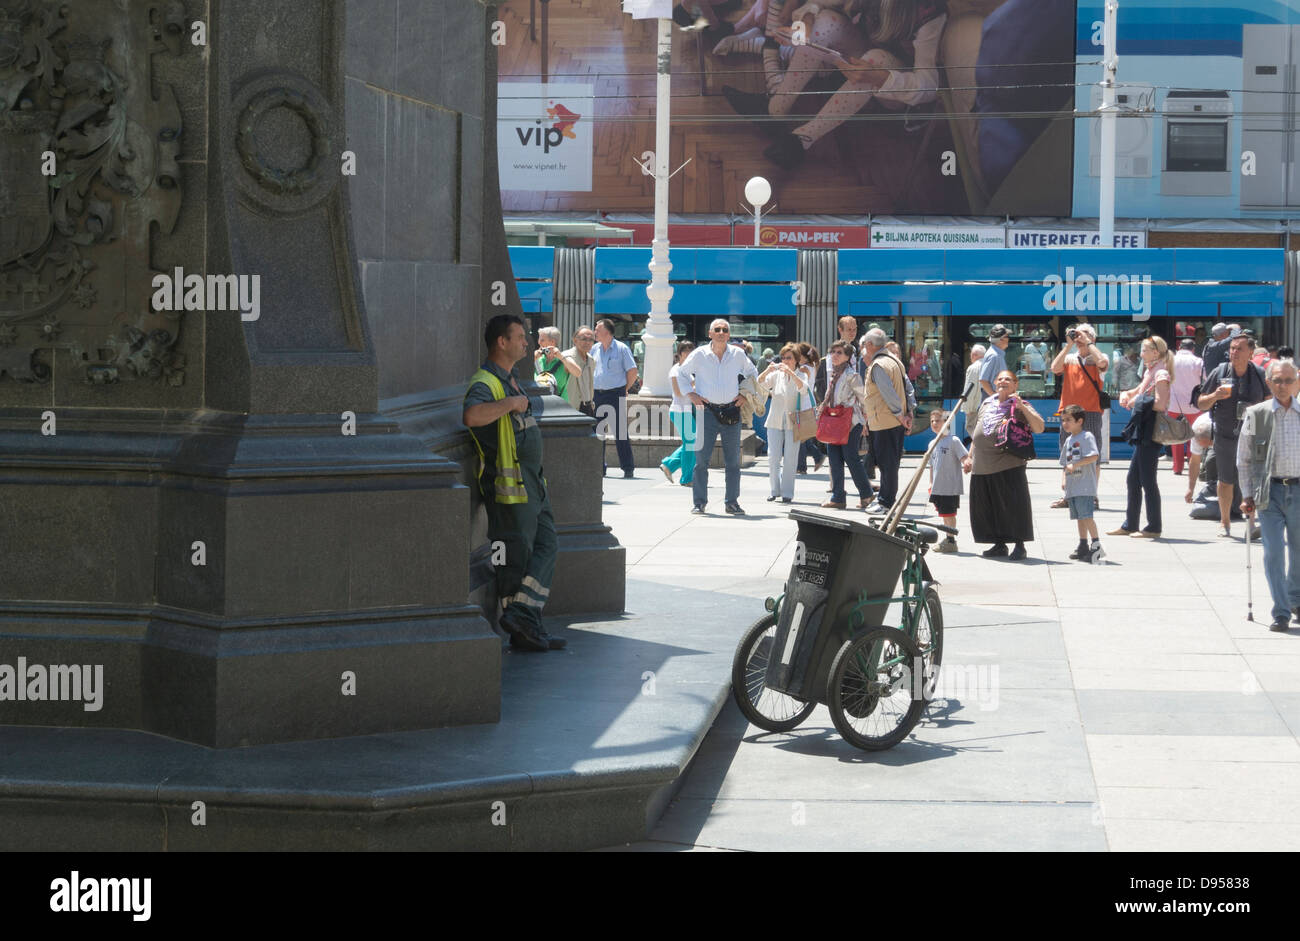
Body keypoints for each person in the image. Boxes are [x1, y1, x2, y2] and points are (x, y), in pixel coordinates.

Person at [462, 314, 565, 652]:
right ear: (501, 342)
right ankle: (525, 629)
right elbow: (472, 416)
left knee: (547, 545)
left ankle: (523, 613)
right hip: (509, 487)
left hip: (533, 483)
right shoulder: (486, 381)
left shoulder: (513, 377)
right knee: (515, 558)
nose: (526, 342)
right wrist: (509, 403)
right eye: (520, 337)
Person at [1238, 358, 1300, 632]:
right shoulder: (1257, 413)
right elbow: (1245, 459)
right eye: (1278, 380)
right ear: (1269, 382)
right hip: (1269, 491)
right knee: (1273, 553)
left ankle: (1295, 599)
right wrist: (1247, 494)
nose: (1283, 386)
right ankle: (1281, 610)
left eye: (1288, 380)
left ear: (1296, 381)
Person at [679, 318, 759, 515]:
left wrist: (744, 395)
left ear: (729, 335)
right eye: (717, 329)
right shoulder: (699, 354)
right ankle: (699, 503)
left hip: (732, 411)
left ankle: (731, 502)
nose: (721, 332)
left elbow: (753, 373)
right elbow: (682, 374)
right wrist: (692, 394)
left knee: (732, 462)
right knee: (701, 462)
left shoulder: (738, 354)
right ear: (710, 334)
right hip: (707, 413)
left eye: (725, 330)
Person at [963, 369, 1044, 561]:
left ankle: (1019, 545)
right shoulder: (987, 402)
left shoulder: (1020, 404)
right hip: (982, 465)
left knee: (1013, 506)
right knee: (987, 508)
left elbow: (1039, 427)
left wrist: (1022, 408)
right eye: (1000, 379)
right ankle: (998, 544)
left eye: (1008, 379)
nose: (1003, 382)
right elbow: (977, 432)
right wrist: (970, 456)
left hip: (1008, 464)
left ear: (1016, 385)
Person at [1197, 333, 1269, 538]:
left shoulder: (1259, 373)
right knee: (1225, 480)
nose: (1234, 352)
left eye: (1239, 349)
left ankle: (1251, 523)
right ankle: (1225, 521)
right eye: (1232, 348)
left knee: (1254, 479)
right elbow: (1201, 402)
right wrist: (1215, 395)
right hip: (1226, 433)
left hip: (1253, 433)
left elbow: (1269, 400)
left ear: (1250, 353)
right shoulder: (1220, 372)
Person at [1108, 335, 1174, 539]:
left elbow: (1161, 404)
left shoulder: (1161, 373)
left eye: (1144, 350)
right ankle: (1131, 524)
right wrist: (1126, 394)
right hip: (1143, 427)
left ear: (1156, 352)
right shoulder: (1150, 371)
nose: (1141, 353)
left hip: (1151, 429)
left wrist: (1136, 401)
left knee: (1147, 480)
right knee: (1133, 479)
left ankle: (1154, 526)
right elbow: (1138, 391)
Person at [1049, 324, 1108, 509]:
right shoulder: (1069, 358)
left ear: (1093, 339)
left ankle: (1091, 496)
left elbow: (1103, 364)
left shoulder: (1099, 356)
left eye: (1086, 335)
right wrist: (1068, 345)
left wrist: (1088, 342)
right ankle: (1068, 496)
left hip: (1090, 411)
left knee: (1092, 454)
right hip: (1068, 411)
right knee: (1068, 452)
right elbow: (1054, 368)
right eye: (1078, 335)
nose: (1080, 339)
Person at [818, 340, 873, 510]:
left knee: (851, 458)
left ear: (848, 357)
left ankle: (867, 494)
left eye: (839, 353)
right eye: (833, 352)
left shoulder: (852, 375)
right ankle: (838, 496)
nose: (834, 355)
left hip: (850, 421)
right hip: (835, 421)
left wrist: (865, 421)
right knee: (834, 458)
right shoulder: (834, 373)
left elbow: (863, 399)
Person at [861, 328, 910, 512]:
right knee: (889, 463)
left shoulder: (879, 365)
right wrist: (908, 414)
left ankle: (885, 502)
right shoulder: (895, 361)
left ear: (871, 345)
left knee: (887, 464)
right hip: (892, 421)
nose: (864, 347)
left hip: (884, 420)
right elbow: (907, 389)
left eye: (865, 344)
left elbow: (888, 393)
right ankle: (885, 499)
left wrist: (899, 414)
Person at [759, 342, 811, 503]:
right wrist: (768, 370)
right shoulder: (776, 375)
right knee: (773, 456)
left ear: (796, 359)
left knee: (790, 457)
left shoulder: (801, 375)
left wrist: (792, 374)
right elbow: (760, 383)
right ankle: (774, 490)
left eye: (789, 358)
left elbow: (803, 389)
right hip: (774, 420)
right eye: (783, 357)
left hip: (793, 422)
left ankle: (787, 492)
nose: (785, 360)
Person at [591, 319, 639, 479]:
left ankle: (628, 467)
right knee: (598, 432)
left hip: (615, 393)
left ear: (607, 332)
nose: (594, 332)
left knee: (620, 432)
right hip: (597, 394)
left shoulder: (621, 348)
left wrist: (624, 389)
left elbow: (632, 371)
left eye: (597, 329)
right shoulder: (594, 349)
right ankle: (599, 467)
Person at [1059, 404, 1103, 562]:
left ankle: (1096, 547)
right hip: (1073, 487)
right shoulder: (1069, 440)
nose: (1065, 423)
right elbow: (1065, 463)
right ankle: (1083, 545)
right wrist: (1064, 479)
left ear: (1080, 421)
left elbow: (1094, 456)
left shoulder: (1087, 436)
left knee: (1087, 517)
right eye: (1063, 420)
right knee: (1079, 518)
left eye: (1068, 420)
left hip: (1085, 486)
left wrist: (1075, 465)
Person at [926, 408, 968, 554]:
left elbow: (964, 457)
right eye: (932, 421)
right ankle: (948, 538)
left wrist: (967, 464)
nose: (934, 423)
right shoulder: (932, 444)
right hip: (938, 486)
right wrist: (931, 483)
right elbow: (931, 465)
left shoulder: (953, 441)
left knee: (950, 513)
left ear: (947, 422)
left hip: (950, 486)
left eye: (937, 420)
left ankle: (951, 540)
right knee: (944, 514)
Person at [660, 341, 697, 487]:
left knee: (691, 443)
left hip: (686, 411)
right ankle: (686, 478)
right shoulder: (676, 371)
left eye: (690, 350)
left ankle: (670, 464)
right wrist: (694, 388)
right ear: (679, 353)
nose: (688, 353)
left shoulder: (686, 371)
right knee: (691, 444)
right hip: (680, 411)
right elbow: (678, 392)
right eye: (685, 350)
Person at [1168, 337, 1204, 476]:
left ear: (1179, 347)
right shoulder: (1198, 361)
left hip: (1174, 405)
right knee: (1193, 436)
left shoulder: (1170, 361)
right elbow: (1205, 377)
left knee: (1176, 438)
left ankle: (1177, 467)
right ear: (1193, 349)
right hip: (1193, 406)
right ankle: (1192, 463)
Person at [797, 342, 827, 474]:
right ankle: (816, 457)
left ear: (804, 356)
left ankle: (803, 465)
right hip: (809, 403)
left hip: (802, 404)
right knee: (803, 436)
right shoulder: (813, 366)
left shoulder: (803, 368)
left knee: (800, 437)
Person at [559, 325, 596, 416]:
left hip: (588, 406)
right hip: (571, 407)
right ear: (575, 340)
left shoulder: (591, 360)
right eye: (584, 339)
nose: (587, 342)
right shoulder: (567, 357)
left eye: (591, 340)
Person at [1184, 412, 1214, 506]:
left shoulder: (1220, 428)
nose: (1205, 448)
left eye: (1208, 445)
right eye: (1202, 446)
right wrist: (1190, 489)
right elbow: (1195, 461)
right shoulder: (1195, 430)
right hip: (1209, 432)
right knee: (1210, 461)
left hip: (1229, 430)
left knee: (1211, 460)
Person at [978, 324, 1011, 400]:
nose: (1009, 339)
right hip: (993, 403)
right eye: (1007, 337)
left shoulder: (997, 354)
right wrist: (995, 398)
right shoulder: (994, 356)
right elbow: (983, 380)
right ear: (1001, 339)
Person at [960, 344, 985, 442]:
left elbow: (970, 390)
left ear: (974, 355)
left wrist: (968, 409)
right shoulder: (989, 365)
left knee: (971, 428)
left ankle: (981, 453)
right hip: (987, 405)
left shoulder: (974, 368)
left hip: (976, 408)